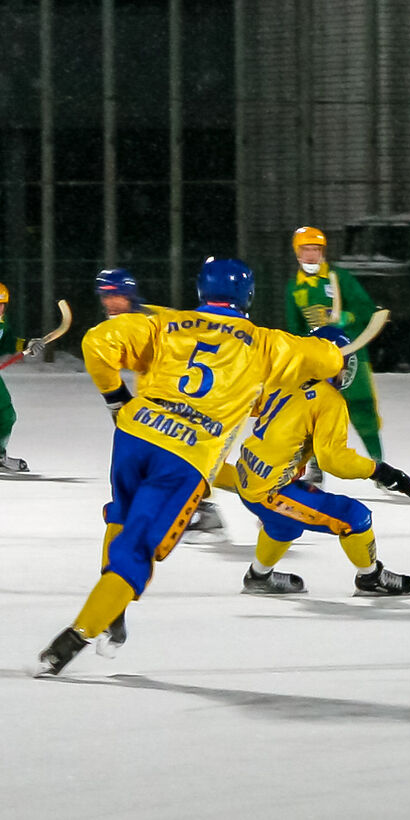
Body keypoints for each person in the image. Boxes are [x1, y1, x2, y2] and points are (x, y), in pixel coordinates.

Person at [35, 258, 346, 677]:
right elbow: (328, 359)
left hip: (135, 434)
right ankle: (76, 637)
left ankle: (113, 610)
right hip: (185, 454)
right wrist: (332, 340)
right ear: (248, 296)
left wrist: (115, 398)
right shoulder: (266, 343)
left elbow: (96, 343)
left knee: (123, 515)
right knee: (138, 550)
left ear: (201, 290)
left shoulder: (168, 322)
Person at [217, 325, 410, 597]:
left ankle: (258, 577)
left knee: (283, 524)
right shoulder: (329, 400)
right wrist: (378, 471)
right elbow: (333, 459)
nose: (345, 370)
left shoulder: (285, 377)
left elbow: (245, 404)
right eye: (342, 361)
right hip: (270, 490)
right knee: (354, 516)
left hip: (248, 474)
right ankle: (370, 579)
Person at [94, 268, 227, 540]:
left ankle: (252, 495)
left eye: (117, 295)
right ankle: (207, 506)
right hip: (159, 400)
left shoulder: (153, 318)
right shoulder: (133, 319)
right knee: (177, 459)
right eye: (105, 296)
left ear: (130, 295)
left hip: (181, 400)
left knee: (171, 458)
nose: (110, 302)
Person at [284, 225, 385, 479]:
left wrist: (347, 317)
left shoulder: (340, 278)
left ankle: (379, 464)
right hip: (318, 360)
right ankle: (315, 465)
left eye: (316, 249)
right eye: (306, 249)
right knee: (316, 411)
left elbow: (366, 309)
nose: (311, 255)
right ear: (297, 252)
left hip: (352, 355)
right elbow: (294, 328)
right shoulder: (294, 288)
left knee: (362, 408)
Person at [0, 281, 35, 473]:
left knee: (6, 415)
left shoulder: (2, 322)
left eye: (2, 305)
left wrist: (27, 344)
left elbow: (7, 343)